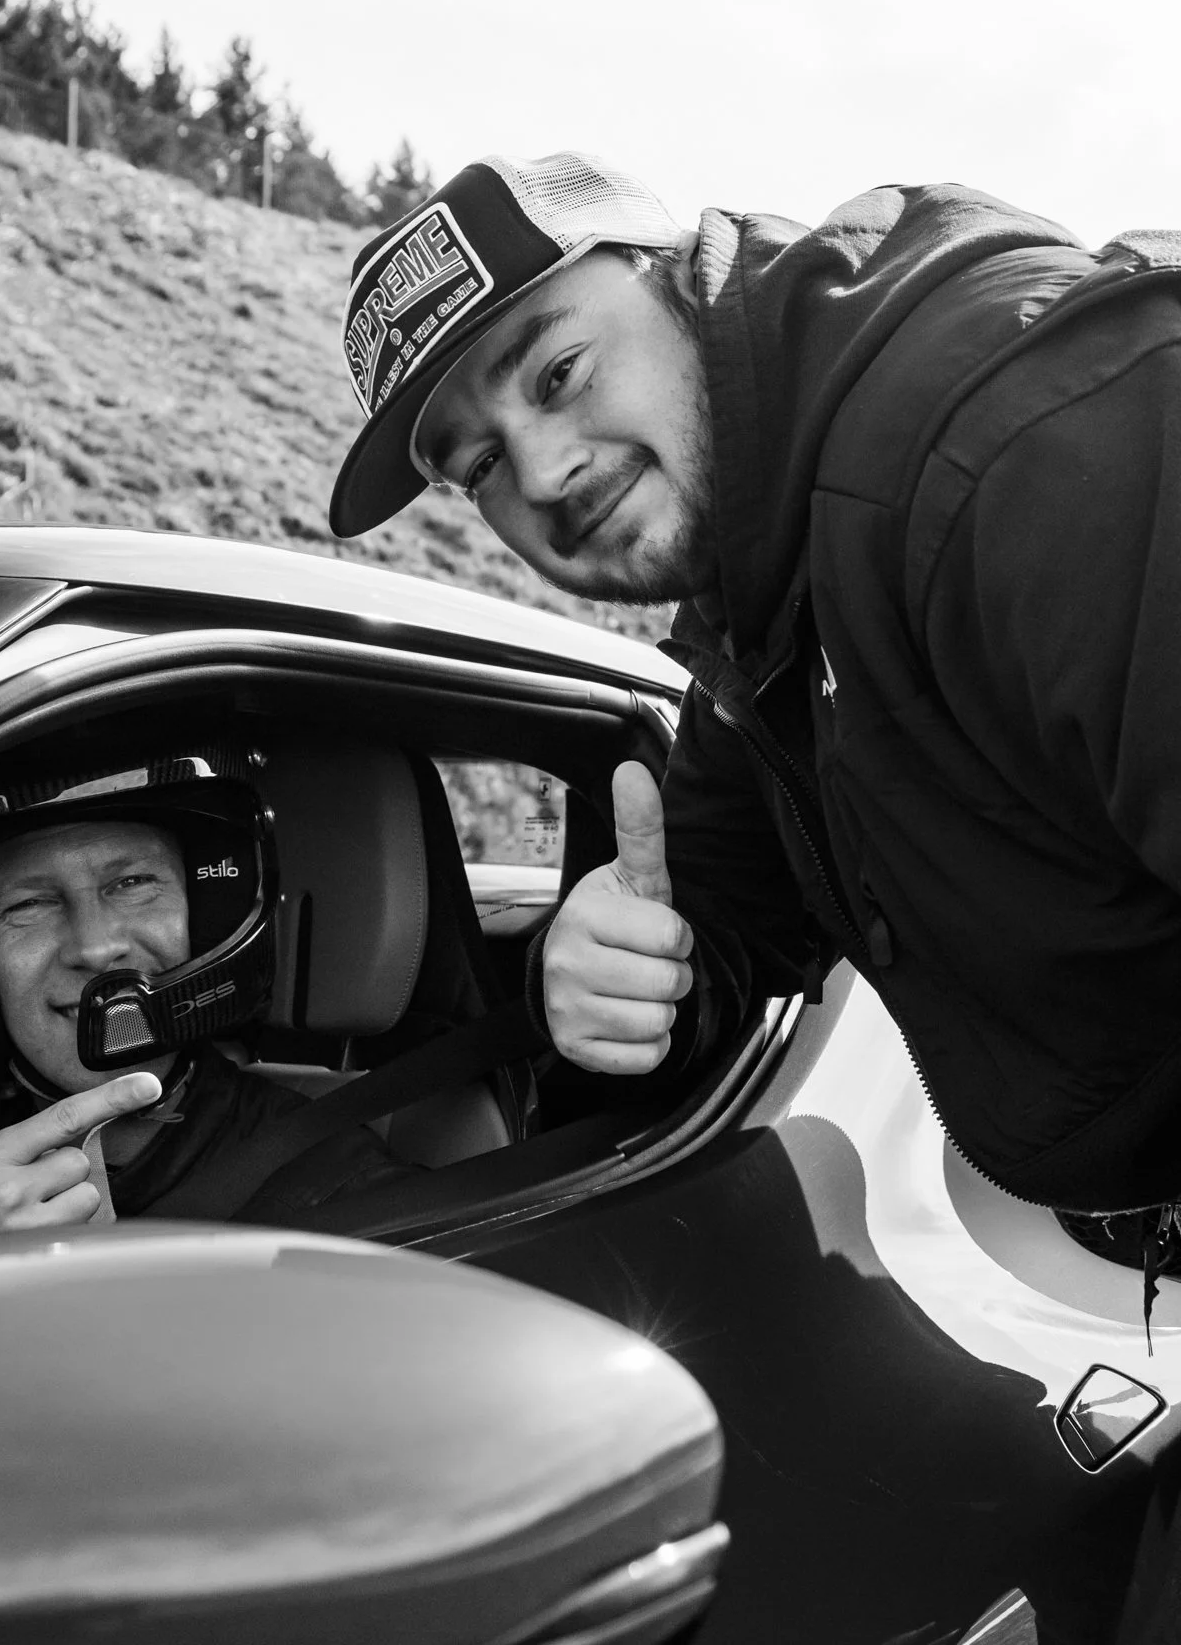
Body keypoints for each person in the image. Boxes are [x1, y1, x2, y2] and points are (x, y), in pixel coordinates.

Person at [327, 152, 1181, 1632]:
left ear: (678, 271)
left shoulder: (1019, 448)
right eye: (474, 466)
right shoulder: (756, 611)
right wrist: (610, 970)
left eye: (557, 368)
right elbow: (720, 899)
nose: (539, 473)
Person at [0, 768, 414, 1270]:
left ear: (203, 920)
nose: (95, 948)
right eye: (28, 905)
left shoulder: (333, 1181)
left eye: (132, 883)